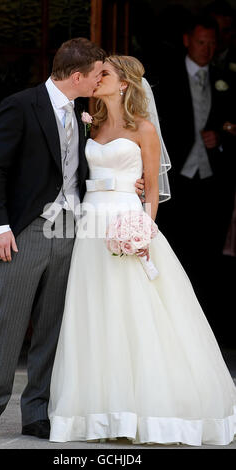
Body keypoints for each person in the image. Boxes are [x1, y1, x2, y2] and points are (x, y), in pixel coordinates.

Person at [48, 55, 236, 446]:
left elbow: (152, 189)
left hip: (126, 223)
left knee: (133, 311)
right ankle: (100, 414)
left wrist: (142, 229)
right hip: (90, 227)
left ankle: (144, 410)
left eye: (105, 74)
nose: (96, 79)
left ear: (124, 85)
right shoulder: (90, 123)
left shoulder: (144, 129)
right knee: (94, 313)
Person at [0, 38, 145, 441]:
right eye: (98, 73)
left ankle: (38, 412)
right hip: (26, 230)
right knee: (6, 322)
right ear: (78, 76)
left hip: (73, 232)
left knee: (53, 326)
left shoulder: (88, 114)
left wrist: (129, 183)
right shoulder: (21, 105)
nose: (102, 79)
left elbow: (92, 167)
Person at [153, 14, 235, 326]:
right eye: (201, 42)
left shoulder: (226, 78)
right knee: (175, 251)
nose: (207, 48)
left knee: (209, 255)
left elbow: (231, 124)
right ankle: (172, 322)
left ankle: (206, 324)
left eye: (212, 43)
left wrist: (222, 138)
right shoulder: (165, 76)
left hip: (212, 182)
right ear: (188, 40)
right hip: (176, 180)